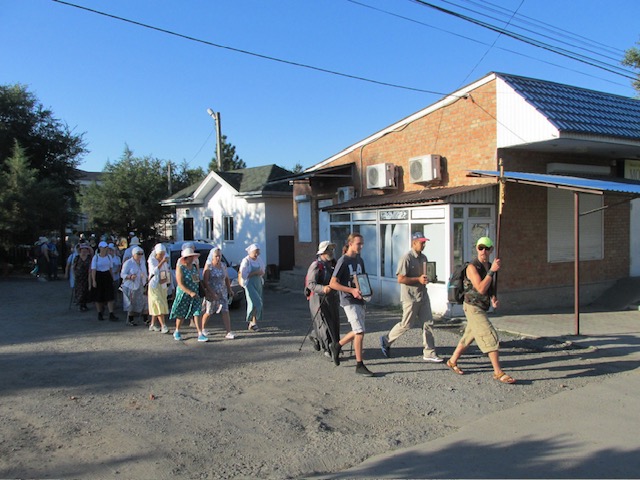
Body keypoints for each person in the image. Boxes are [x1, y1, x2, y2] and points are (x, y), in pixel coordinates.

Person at [446, 236, 516, 384]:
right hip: (472, 307)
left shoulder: (489, 265)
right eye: (480, 247)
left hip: (481, 306)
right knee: (488, 334)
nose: (483, 251)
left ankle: (452, 361)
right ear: (477, 248)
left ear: (491, 250)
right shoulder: (472, 267)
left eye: (486, 248)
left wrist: (493, 298)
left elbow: (488, 288)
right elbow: (480, 287)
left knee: (469, 335)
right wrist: (492, 271)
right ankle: (498, 372)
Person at [379, 232, 443, 363]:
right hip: (410, 297)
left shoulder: (424, 258)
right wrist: (418, 279)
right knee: (406, 324)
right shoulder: (406, 258)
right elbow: (400, 279)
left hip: (423, 295)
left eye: (425, 242)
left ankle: (429, 352)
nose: (424, 245)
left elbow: (424, 276)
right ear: (414, 243)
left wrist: (431, 278)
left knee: (428, 323)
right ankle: (386, 340)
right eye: (421, 242)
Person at [328, 233, 375, 377]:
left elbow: (362, 278)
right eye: (358, 244)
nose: (361, 246)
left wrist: (367, 290)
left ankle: (337, 345)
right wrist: (351, 290)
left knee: (358, 330)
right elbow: (332, 283)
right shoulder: (343, 261)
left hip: (359, 299)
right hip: (348, 300)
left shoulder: (359, 260)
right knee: (359, 331)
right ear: (350, 244)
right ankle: (359, 365)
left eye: (362, 244)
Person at [304, 240, 340, 357]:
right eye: (329, 249)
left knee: (333, 321)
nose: (331, 251)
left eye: (332, 249)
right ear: (323, 252)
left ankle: (327, 342)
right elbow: (311, 284)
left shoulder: (334, 264)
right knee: (322, 323)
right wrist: (322, 288)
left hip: (331, 297)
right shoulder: (316, 265)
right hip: (318, 298)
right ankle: (327, 348)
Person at [169, 246, 205, 341]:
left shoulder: (193, 267)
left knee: (197, 312)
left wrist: (199, 289)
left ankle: (200, 333)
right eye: (191, 256)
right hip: (184, 294)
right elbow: (180, 283)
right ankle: (177, 330)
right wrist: (190, 292)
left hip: (195, 293)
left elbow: (197, 279)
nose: (193, 258)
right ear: (186, 258)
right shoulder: (180, 268)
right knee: (181, 314)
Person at [202, 247, 236, 339]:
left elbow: (226, 278)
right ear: (212, 257)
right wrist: (211, 293)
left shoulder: (223, 265)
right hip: (212, 292)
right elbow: (205, 281)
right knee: (209, 311)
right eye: (216, 256)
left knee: (225, 311)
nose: (218, 258)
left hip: (222, 292)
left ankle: (228, 331)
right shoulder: (209, 266)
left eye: (219, 256)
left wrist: (229, 290)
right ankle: (202, 328)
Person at [239, 243, 265, 332]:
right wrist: (255, 273)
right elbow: (244, 274)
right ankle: (251, 321)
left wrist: (260, 273)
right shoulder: (246, 261)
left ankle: (253, 323)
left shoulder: (259, 260)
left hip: (258, 283)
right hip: (249, 284)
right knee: (254, 302)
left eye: (258, 252)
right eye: (255, 252)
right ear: (251, 252)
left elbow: (262, 271)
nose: (257, 254)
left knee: (258, 302)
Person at [120, 246, 148, 327]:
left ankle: (145, 319)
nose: (140, 256)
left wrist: (145, 281)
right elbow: (122, 274)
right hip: (130, 286)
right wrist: (130, 276)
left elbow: (145, 273)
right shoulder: (128, 263)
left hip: (140, 284)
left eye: (141, 254)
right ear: (133, 254)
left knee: (144, 301)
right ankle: (130, 319)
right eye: (138, 254)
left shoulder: (142, 262)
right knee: (131, 303)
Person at [91, 241, 118, 321]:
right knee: (98, 296)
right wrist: (94, 280)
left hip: (107, 276)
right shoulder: (96, 258)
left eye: (106, 248)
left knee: (110, 295)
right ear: (100, 248)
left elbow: (110, 268)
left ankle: (111, 313)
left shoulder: (109, 257)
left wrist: (112, 278)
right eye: (104, 247)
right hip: (99, 275)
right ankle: (99, 313)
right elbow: (93, 270)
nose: (106, 249)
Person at [147, 243, 171, 334]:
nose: (162, 255)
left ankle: (152, 324)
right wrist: (162, 262)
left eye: (163, 253)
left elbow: (167, 271)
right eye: (160, 254)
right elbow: (154, 271)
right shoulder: (152, 260)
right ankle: (163, 325)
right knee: (158, 303)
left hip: (163, 284)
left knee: (159, 304)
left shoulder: (165, 259)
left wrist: (168, 283)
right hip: (154, 285)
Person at [72, 244, 93, 311]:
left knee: (86, 290)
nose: (84, 251)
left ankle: (84, 304)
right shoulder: (77, 258)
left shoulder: (89, 258)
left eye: (85, 250)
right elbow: (73, 267)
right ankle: (81, 305)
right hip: (79, 277)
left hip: (87, 277)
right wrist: (74, 276)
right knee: (80, 291)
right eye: (82, 250)